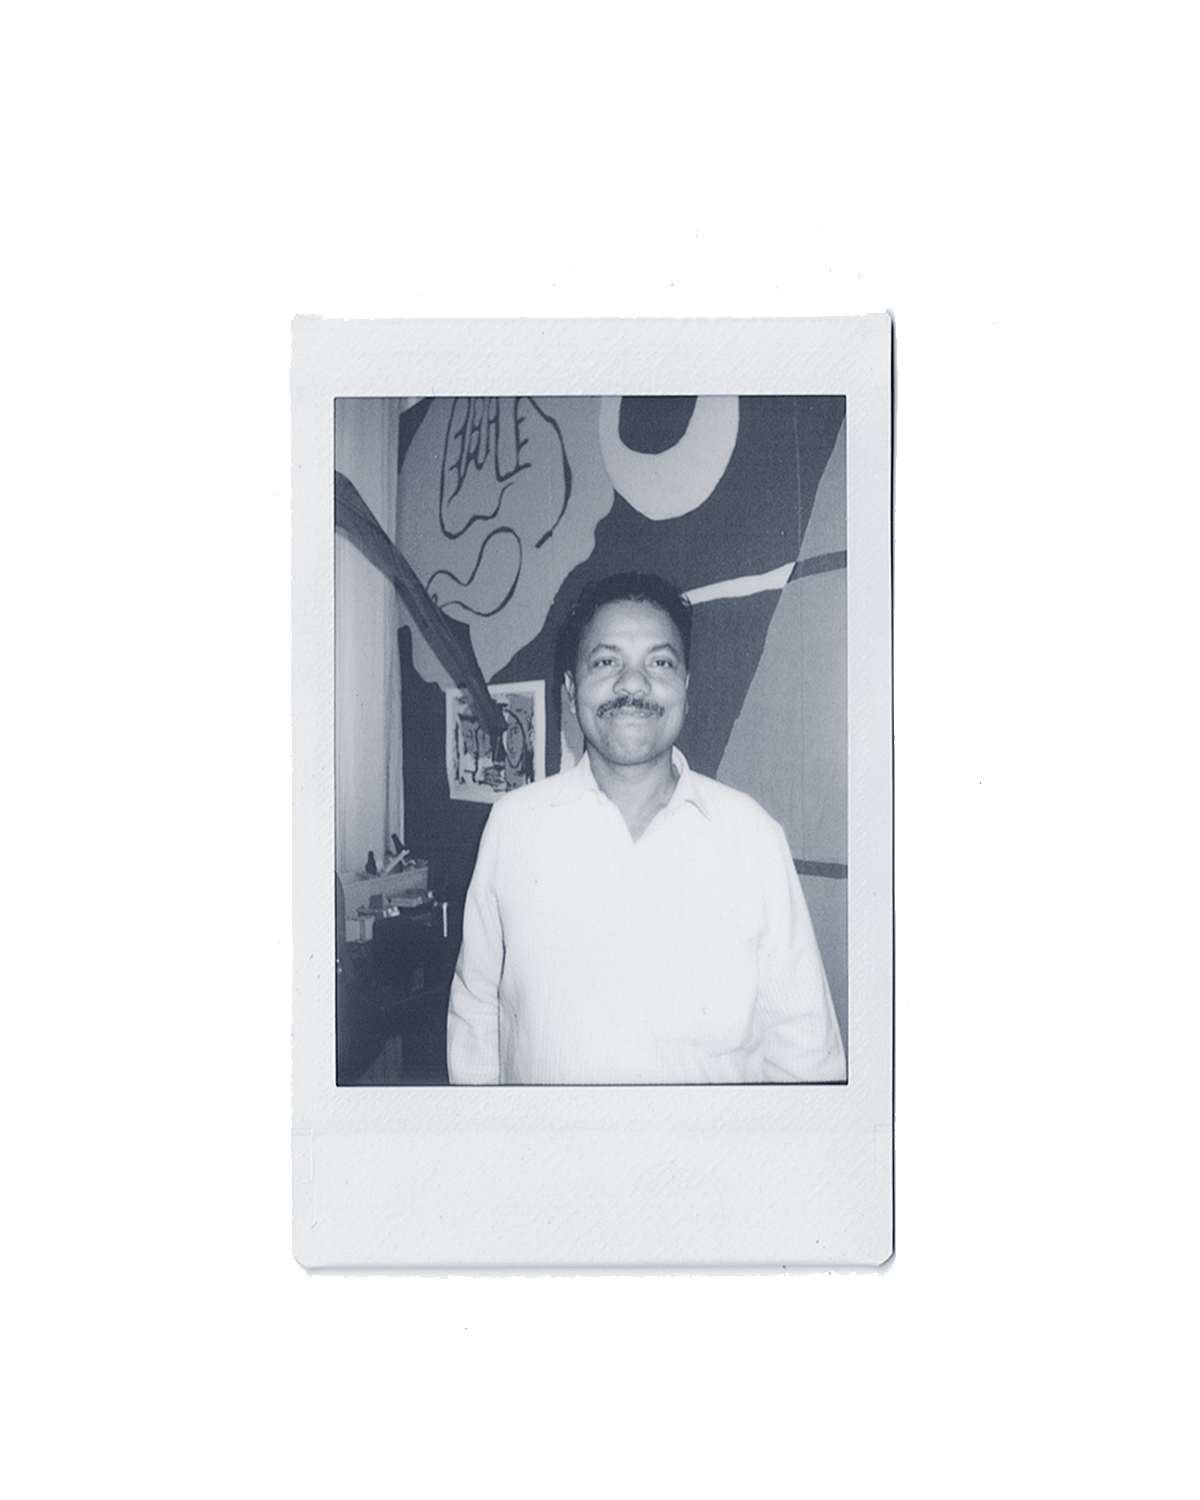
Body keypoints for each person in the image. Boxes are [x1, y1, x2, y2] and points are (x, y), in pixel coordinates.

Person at [446, 571, 847, 1085]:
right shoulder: (513, 826)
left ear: (685, 687)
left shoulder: (753, 838)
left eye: (658, 662)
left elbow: (803, 1049)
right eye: (606, 661)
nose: (632, 684)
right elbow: (477, 1004)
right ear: (570, 693)